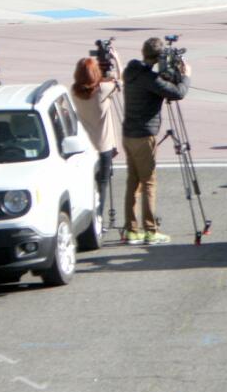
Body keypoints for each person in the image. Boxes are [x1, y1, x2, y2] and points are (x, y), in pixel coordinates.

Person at [120, 37, 191, 244]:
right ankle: (150, 230)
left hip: (129, 134)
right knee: (149, 182)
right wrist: (185, 76)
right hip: (144, 136)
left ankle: (132, 229)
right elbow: (178, 92)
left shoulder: (132, 71)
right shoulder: (149, 79)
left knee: (133, 182)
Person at [71, 50, 121, 233]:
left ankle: (89, 220)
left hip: (86, 146)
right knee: (102, 184)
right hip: (104, 145)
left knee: (88, 185)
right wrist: (117, 60)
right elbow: (119, 81)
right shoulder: (103, 90)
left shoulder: (74, 91)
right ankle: (99, 218)